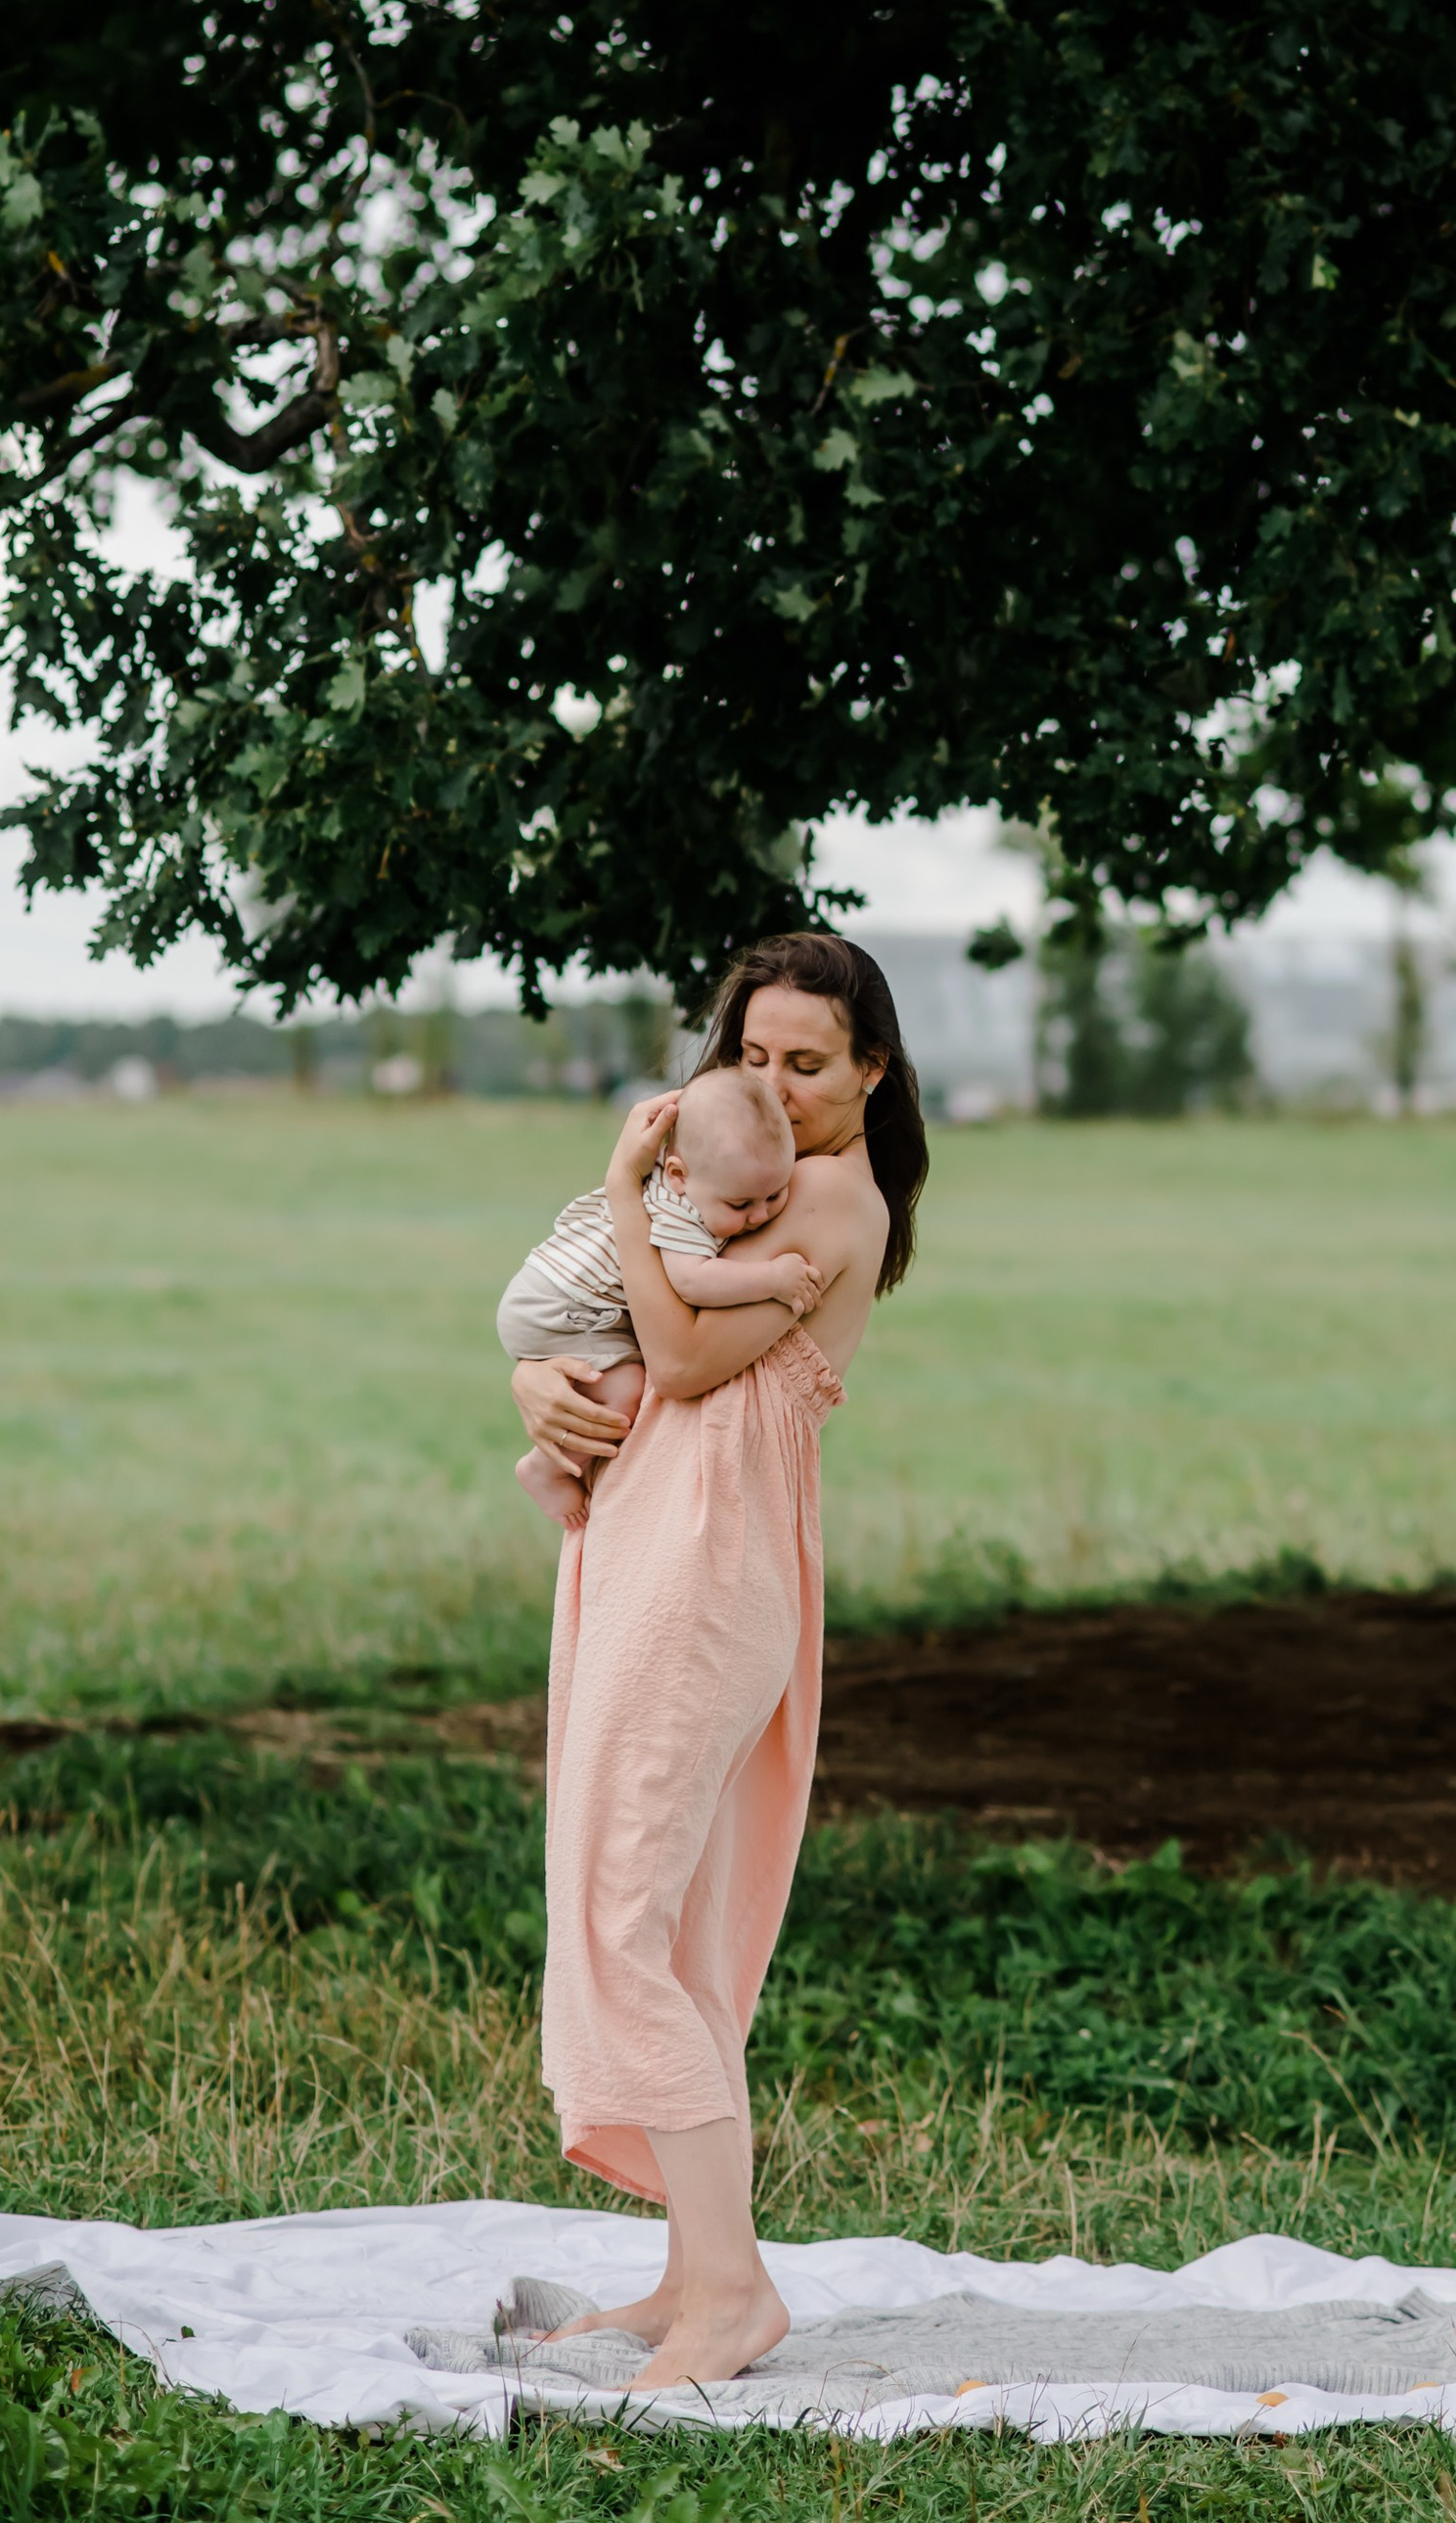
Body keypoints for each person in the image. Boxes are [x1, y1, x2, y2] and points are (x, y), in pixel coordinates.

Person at [507, 932, 926, 2392]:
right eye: (749, 1055)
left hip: (705, 1554)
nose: (770, 1085)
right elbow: (624, 1319)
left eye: (805, 1061)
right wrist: (530, 1375)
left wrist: (626, 1185)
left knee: (623, 1903)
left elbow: (677, 1354)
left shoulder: (816, 1191)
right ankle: (695, 2270)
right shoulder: (748, 1172)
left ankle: (733, 2291)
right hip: (657, 1532)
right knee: (662, 1916)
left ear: (871, 1068)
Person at [497, 1063, 821, 1530]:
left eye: (775, 1195)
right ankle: (543, 1468)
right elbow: (693, 1281)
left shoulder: (702, 1184)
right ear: (678, 1174)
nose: (760, 1215)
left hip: (550, 1290)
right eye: (741, 1204)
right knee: (626, 1386)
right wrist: (772, 1278)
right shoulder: (681, 1215)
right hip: (560, 1306)